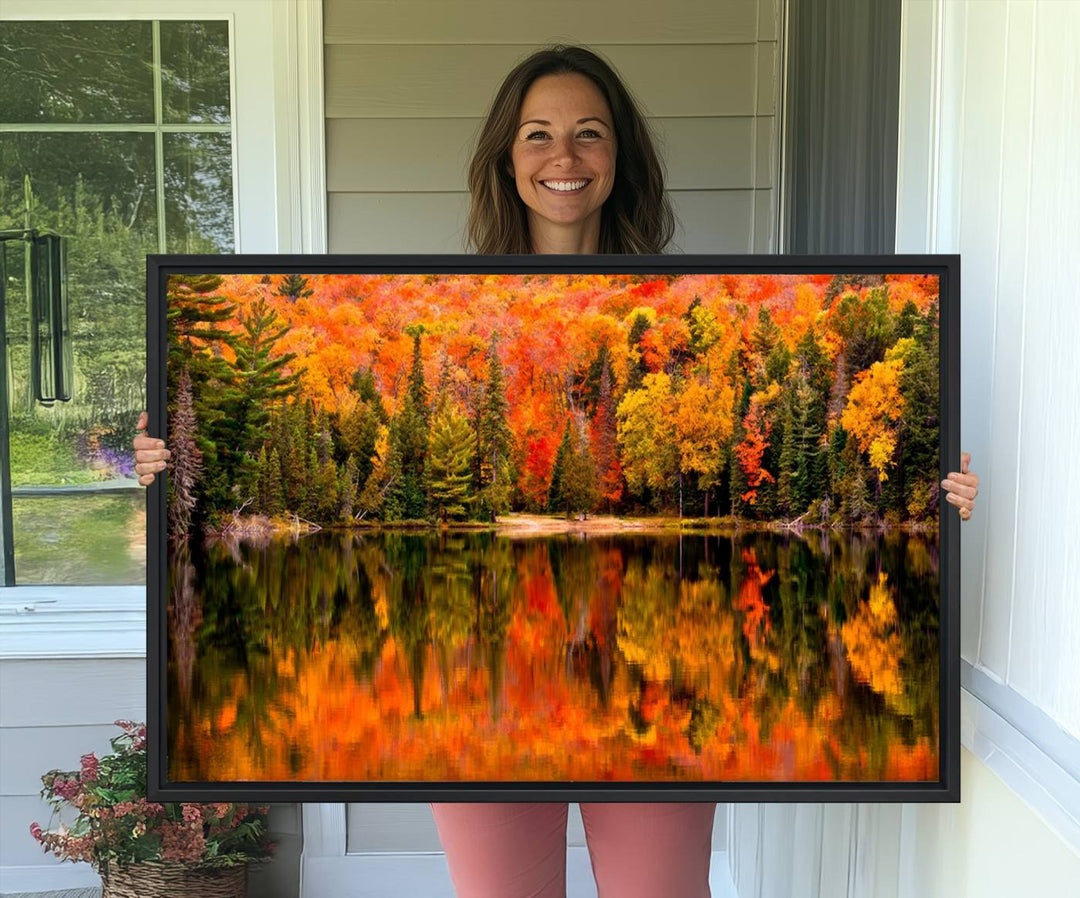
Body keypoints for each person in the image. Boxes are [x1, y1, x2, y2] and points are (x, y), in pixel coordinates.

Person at [133, 45, 980, 898]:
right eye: (538, 135)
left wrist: (933, 492)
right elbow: (182, 516)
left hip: (647, 729)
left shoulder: (689, 295)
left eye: (589, 134)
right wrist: (167, 472)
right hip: (486, 728)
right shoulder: (453, 299)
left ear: (620, 158)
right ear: (507, 158)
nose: (564, 157)